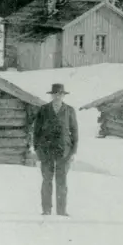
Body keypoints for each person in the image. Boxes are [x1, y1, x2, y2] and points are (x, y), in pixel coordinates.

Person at [32, 83, 79, 216]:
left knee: (61, 181)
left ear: (63, 96)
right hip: (46, 151)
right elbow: (36, 131)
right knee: (47, 180)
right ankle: (46, 210)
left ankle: (61, 211)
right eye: (55, 94)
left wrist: (73, 152)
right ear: (51, 95)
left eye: (60, 94)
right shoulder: (43, 110)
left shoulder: (69, 110)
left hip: (64, 152)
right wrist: (37, 149)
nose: (58, 96)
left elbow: (75, 132)